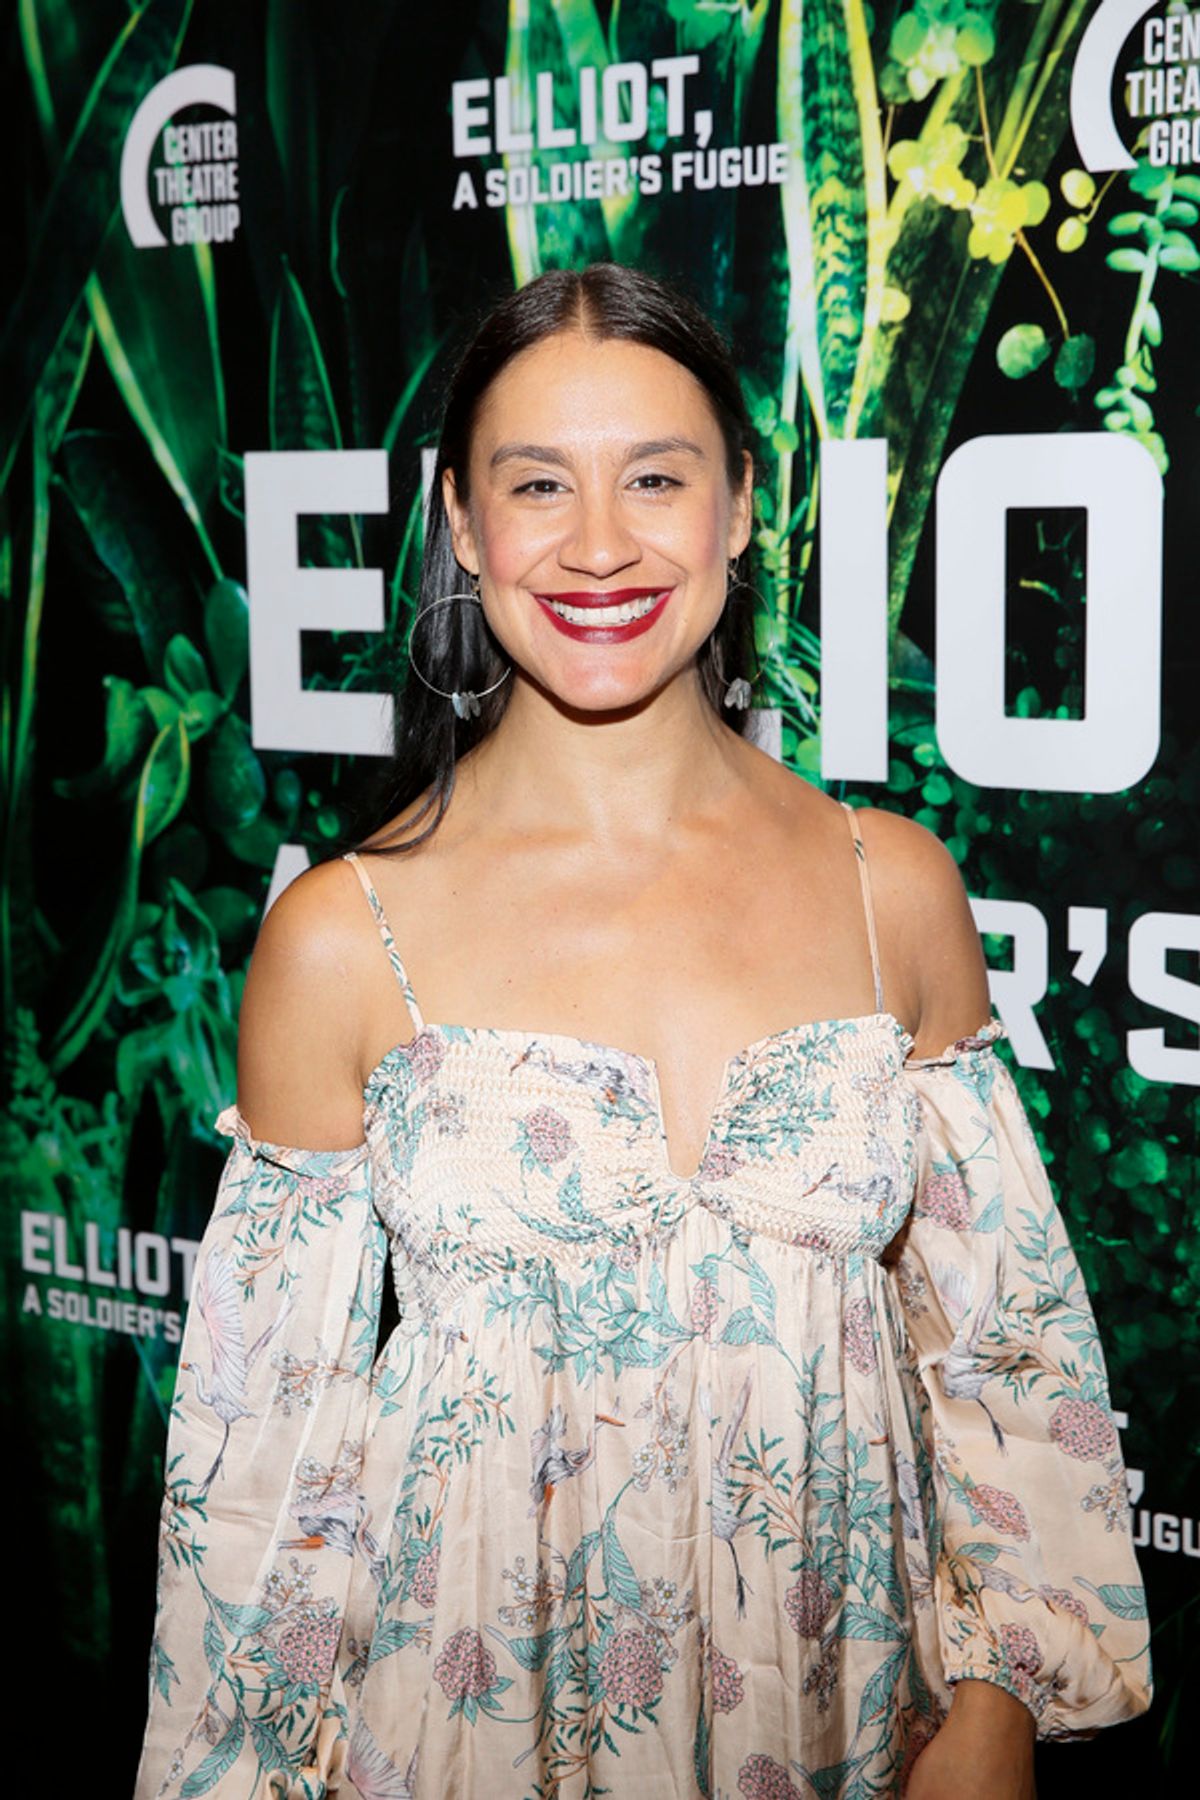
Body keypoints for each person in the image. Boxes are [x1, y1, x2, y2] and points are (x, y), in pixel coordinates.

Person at [135, 263, 1150, 1800]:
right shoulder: (344, 940)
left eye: (656, 479)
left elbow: (1009, 1360)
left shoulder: (897, 894)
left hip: (845, 1731)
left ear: (742, 506)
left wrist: (1002, 1699)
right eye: (537, 484)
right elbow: (260, 1497)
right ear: (464, 528)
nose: (599, 544)